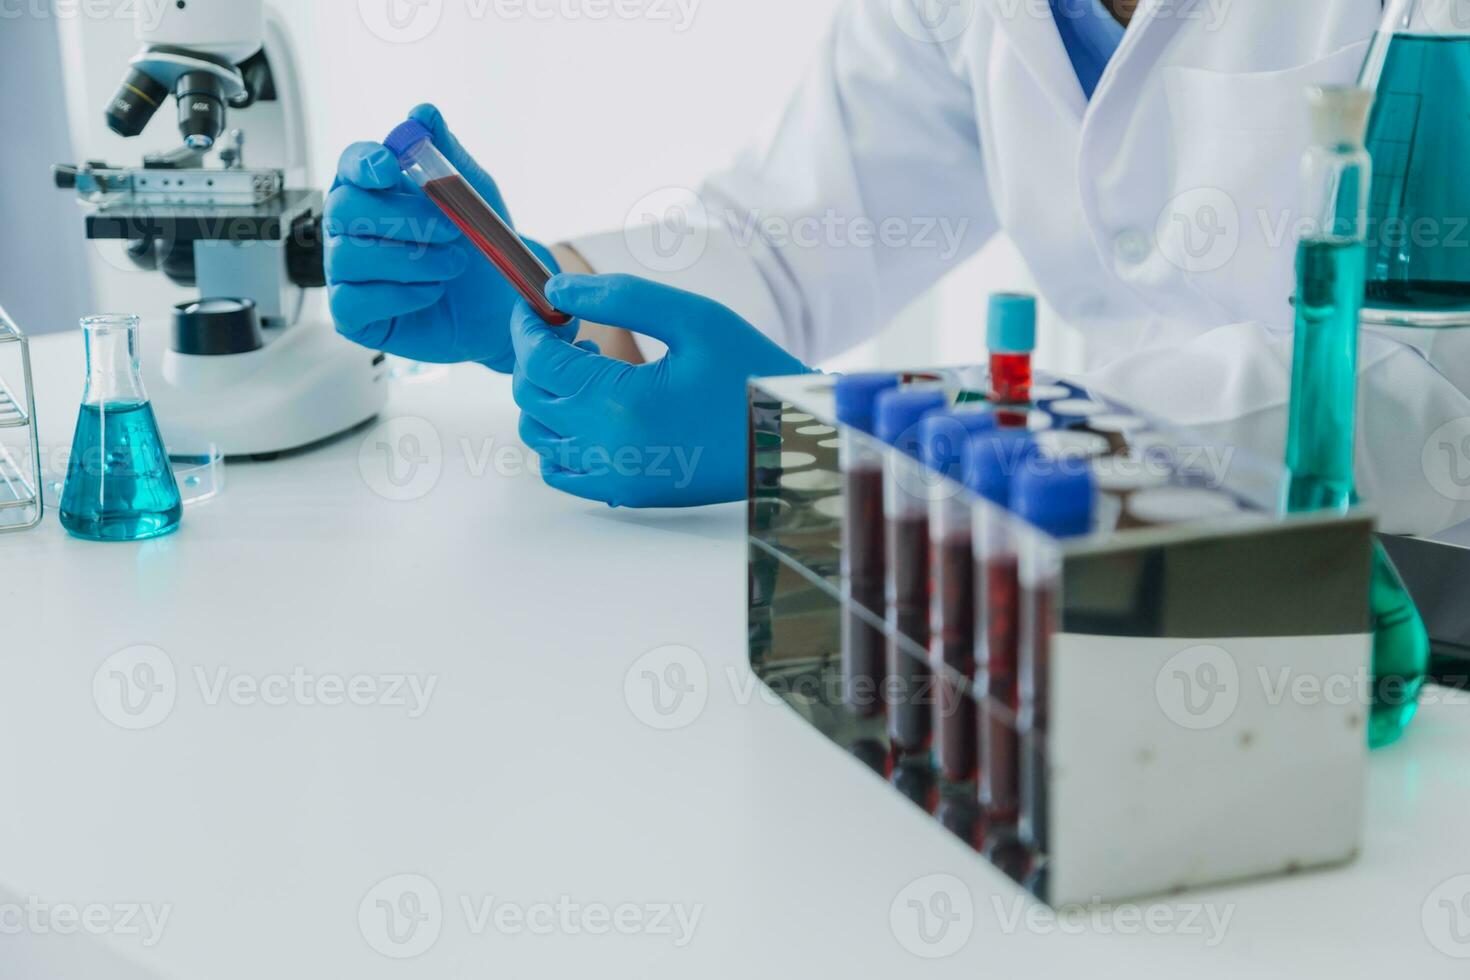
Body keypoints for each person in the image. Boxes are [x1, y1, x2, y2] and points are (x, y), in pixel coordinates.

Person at [324, 0, 1470, 531]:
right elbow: (788, 239)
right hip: (1096, 603)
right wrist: (538, 288)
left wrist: (873, 442)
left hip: (1411, 620)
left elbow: (1435, 387)